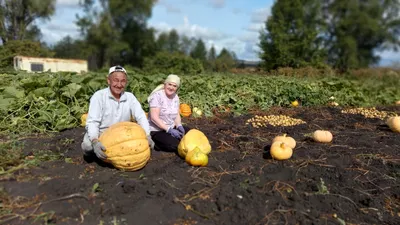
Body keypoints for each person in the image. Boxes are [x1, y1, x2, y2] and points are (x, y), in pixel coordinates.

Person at [81, 65, 154, 160]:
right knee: (88, 146)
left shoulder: (130, 97)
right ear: (108, 80)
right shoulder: (99, 96)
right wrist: (95, 141)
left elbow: (140, 116)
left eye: (123, 81)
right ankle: (97, 153)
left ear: (126, 82)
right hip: (101, 132)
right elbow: (93, 121)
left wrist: (147, 135)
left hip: (122, 133)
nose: (119, 85)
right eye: (116, 80)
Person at [147, 74, 190, 152]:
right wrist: (169, 130)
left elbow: (176, 114)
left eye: (174, 86)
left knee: (191, 133)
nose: (171, 87)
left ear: (177, 88)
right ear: (165, 84)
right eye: (169, 84)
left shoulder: (175, 97)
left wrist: (179, 125)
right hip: (157, 130)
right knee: (174, 145)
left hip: (171, 127)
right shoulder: (157, 96)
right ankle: (154, 143)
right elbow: (154, 118)